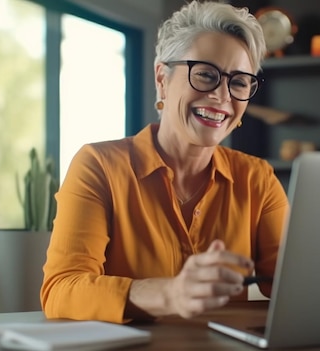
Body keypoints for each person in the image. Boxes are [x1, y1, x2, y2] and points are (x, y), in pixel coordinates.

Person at [41, 0, 288, 323]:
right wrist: (171, 294)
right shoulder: (98, 166)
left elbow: (290, 285)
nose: (223, 96)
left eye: (239, 81)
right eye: (205, 74)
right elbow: (61, 288)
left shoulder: (258, 179)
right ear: (162, 78)